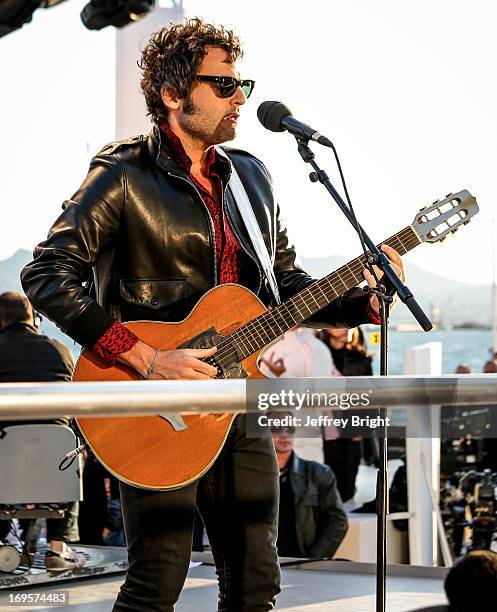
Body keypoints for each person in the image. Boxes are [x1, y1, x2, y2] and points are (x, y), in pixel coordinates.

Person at [20, 18, 404, 611]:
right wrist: (147, 358)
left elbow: (283, 287)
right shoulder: (123, 174)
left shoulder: (251, 176)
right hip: (151, 402)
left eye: (242, 84)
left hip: (238, 400)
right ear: (173, 95)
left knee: (256, 584)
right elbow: (47, 275)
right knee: (158, 581)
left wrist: (364, 298)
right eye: (224, 86)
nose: (241, 99)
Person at [0, 291, 85, 570]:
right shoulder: (60, 350)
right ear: (33, 319)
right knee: (69, 448)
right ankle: (57, 549)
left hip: (6, 464)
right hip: (55, 464)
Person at [270, 413, 348, 559]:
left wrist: (313, 559)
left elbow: (338, 520)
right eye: (276, 429)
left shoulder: (319, 473)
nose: (284, 434)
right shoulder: (252, 475)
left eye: (289, 428)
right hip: (262, 564)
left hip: (300, 561)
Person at [317, 327, 375, 501]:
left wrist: (362, 429)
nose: (347, 328)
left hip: (351, 429)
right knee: (326, 479)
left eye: (351, 324)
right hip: (324, 428)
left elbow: (369, 397)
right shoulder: (318, 353)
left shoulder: (361, 359)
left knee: (347, 488)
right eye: (340, 324)